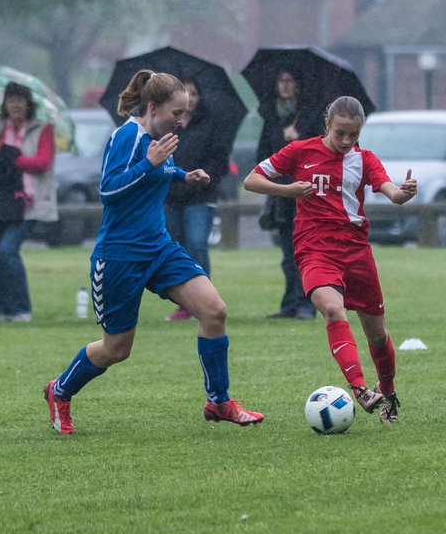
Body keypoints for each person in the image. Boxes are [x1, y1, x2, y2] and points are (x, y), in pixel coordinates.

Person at [41, 70, 262, 434]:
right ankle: (60, 390)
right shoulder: (127, 136)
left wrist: (182, 175)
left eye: (185, 112)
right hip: (119, 257)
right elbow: (108, 191)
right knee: (116, 349)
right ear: (152, 106)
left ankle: (218, 402)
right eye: (176, 113)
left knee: (214, 310)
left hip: (158, 249)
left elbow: (159, 170)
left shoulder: (159, 138)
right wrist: (151, 165)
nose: (182, 120)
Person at [243, 96, 417, 423]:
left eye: (353, 135)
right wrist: (289, 191)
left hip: (355, 250)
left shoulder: (364, 160)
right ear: (327, 124)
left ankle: (388, 393)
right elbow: (251, 180)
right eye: (340, 134)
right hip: (314, 248)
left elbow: (389, 191)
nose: (346, 141)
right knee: (333, 309)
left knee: (377, 335)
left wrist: (403, 193)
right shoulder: (299, 151)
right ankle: (360, 389)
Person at [0, 81, 57, 322]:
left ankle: (21, 308)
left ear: (28, 104)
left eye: (19, 100)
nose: (15, 105)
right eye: (10, 100)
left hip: (26, 201)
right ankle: (3, 310)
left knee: (8, 250)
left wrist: (11, 159)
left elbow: (42, 162)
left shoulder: (42, 129)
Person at [255, 68, 321, 319]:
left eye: (289, 81)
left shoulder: (310, 117)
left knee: (304, 251)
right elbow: (261, 155)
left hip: (305, 193)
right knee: (287, 253)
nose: (284, 85)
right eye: (280, 80)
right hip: (281, 193)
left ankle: (307, 303)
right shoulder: (272, 118)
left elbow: (319, 152)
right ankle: (289, 303)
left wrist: (298, 139)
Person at [163, 76, 231, 321]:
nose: (190, 98)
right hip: (171, 196)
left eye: (194, 93)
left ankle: (205, 301)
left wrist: (201, 180)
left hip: (200, 196)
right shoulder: (168, 125)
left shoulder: (211, 124)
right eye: (185, 93)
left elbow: (219, 160)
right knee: (176, 249)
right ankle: (185, 302)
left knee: (197, 244)